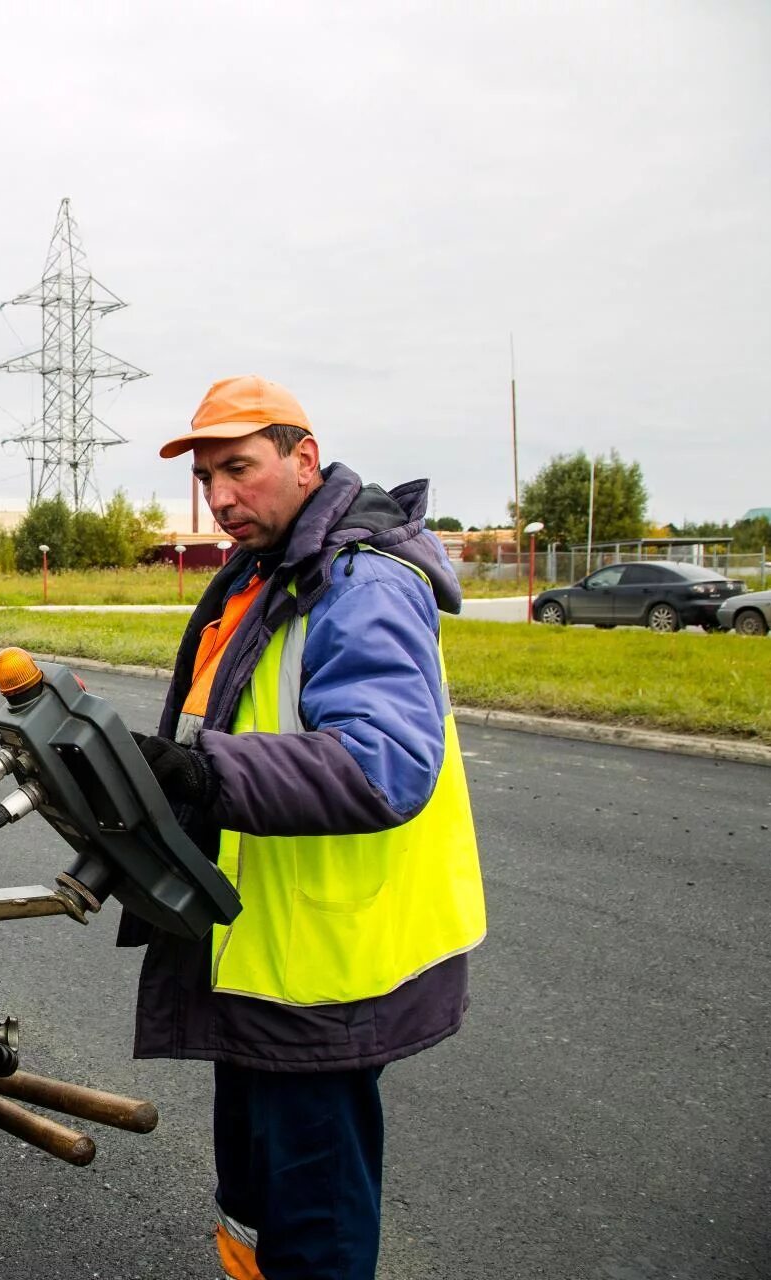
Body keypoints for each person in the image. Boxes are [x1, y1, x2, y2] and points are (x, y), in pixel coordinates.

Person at [126, 375, 485, 1280]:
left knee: (314, 1225)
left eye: (239, 470)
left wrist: (204, 777)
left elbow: (382, 766)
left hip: (327, 963)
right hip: (266, 947)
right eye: (207, 480)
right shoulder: (268, 572)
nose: (220, 499)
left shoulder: (360, 583)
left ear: (304, 459)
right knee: (255, 1206)